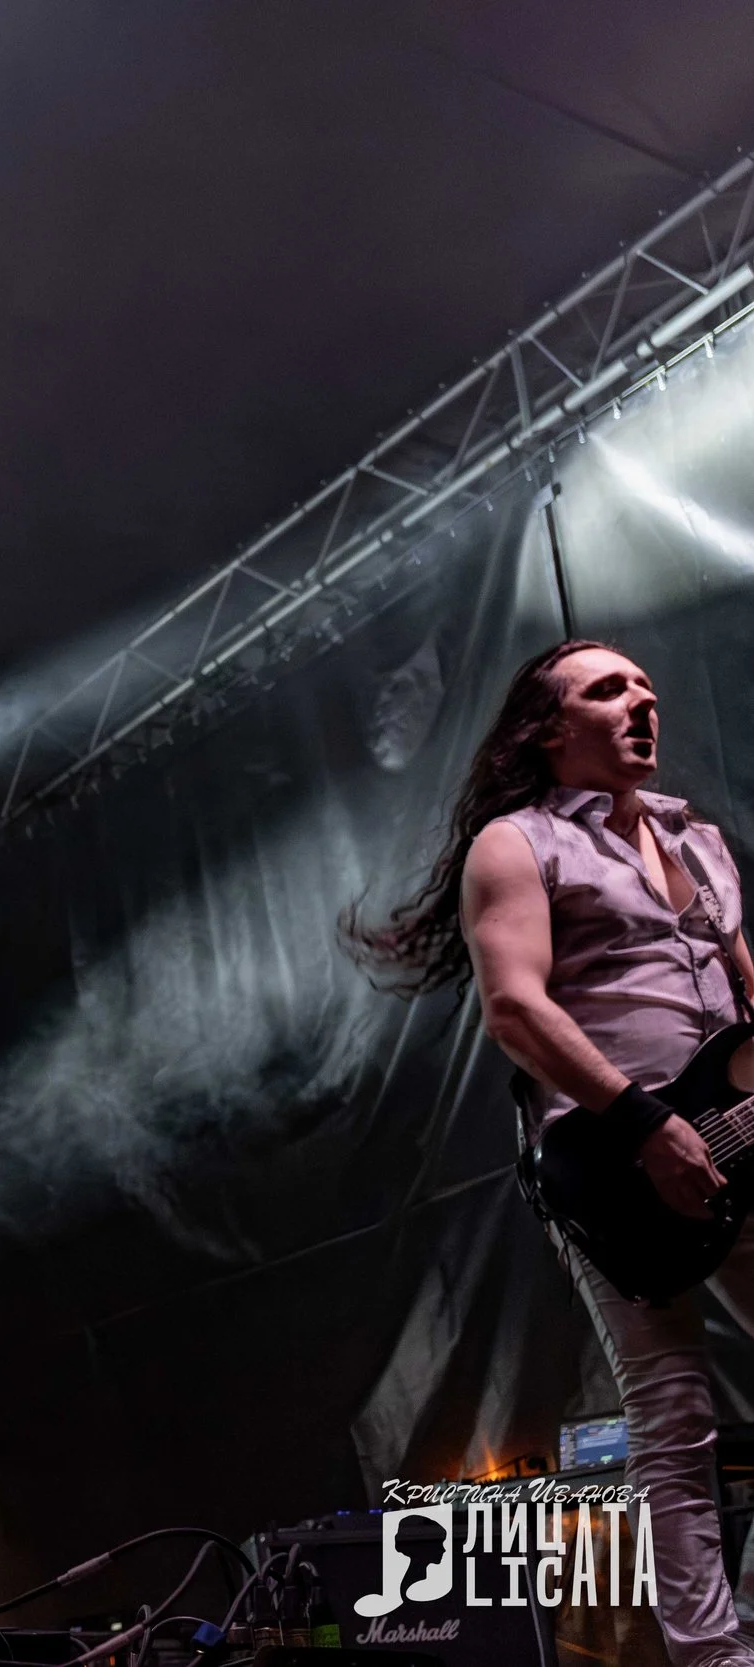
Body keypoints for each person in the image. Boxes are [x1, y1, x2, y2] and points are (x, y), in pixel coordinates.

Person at [353, 639, 754, 1666]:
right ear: (546, 726)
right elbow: (514, 1006)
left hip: (733, 1135)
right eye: (609, 689)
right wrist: (645, 1122)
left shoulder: (698, 842)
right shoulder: (515, 843)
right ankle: (712, 1656)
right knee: (671, 1409)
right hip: (615, 1157)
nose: (641, 702)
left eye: (649, 688)